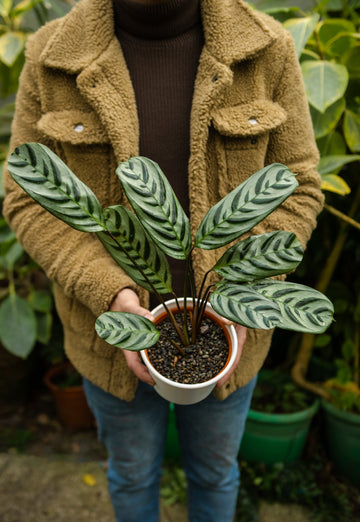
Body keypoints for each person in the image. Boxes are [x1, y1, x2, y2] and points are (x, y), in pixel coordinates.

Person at [3, 0, 324, 520]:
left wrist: (236, 293)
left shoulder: (266, 50)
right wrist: (112, 292)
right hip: (110, 335)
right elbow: (25, 197)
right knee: (130, 476)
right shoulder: (50, 56)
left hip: (229, 335)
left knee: (216, 473)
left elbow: (299, 185)